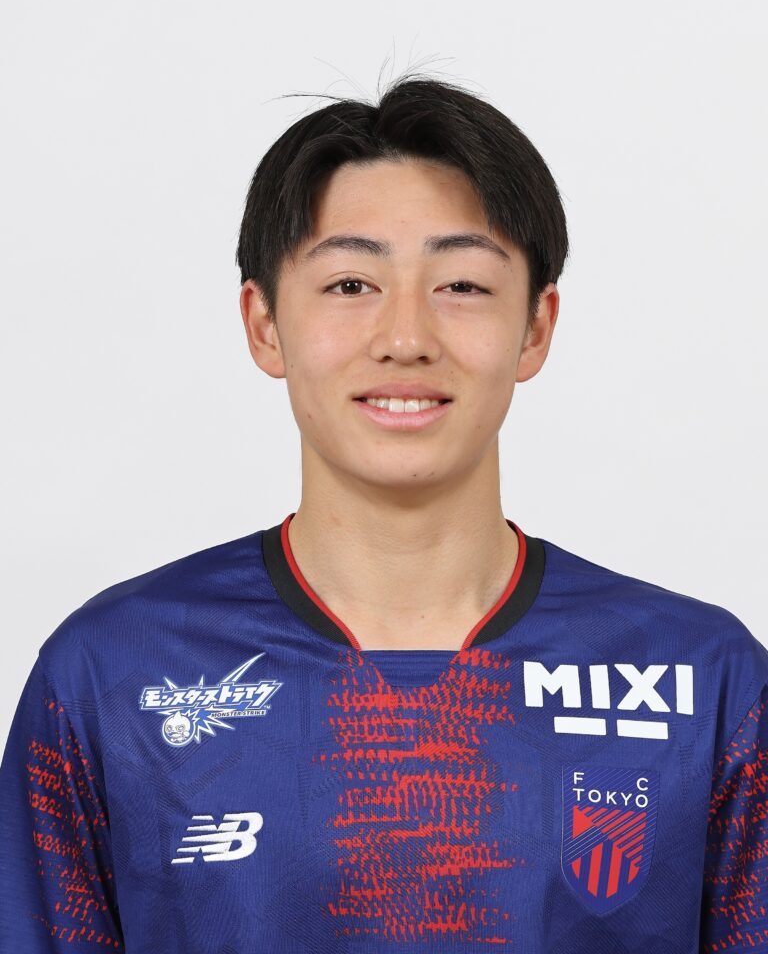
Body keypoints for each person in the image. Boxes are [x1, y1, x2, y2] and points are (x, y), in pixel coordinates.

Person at [0, 74, 765, 954]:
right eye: (351, 283)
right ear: (264, 323)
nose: (406, 338)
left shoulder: (706, 682)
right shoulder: (111, 676)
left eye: (463, 285)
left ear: (535, 327)